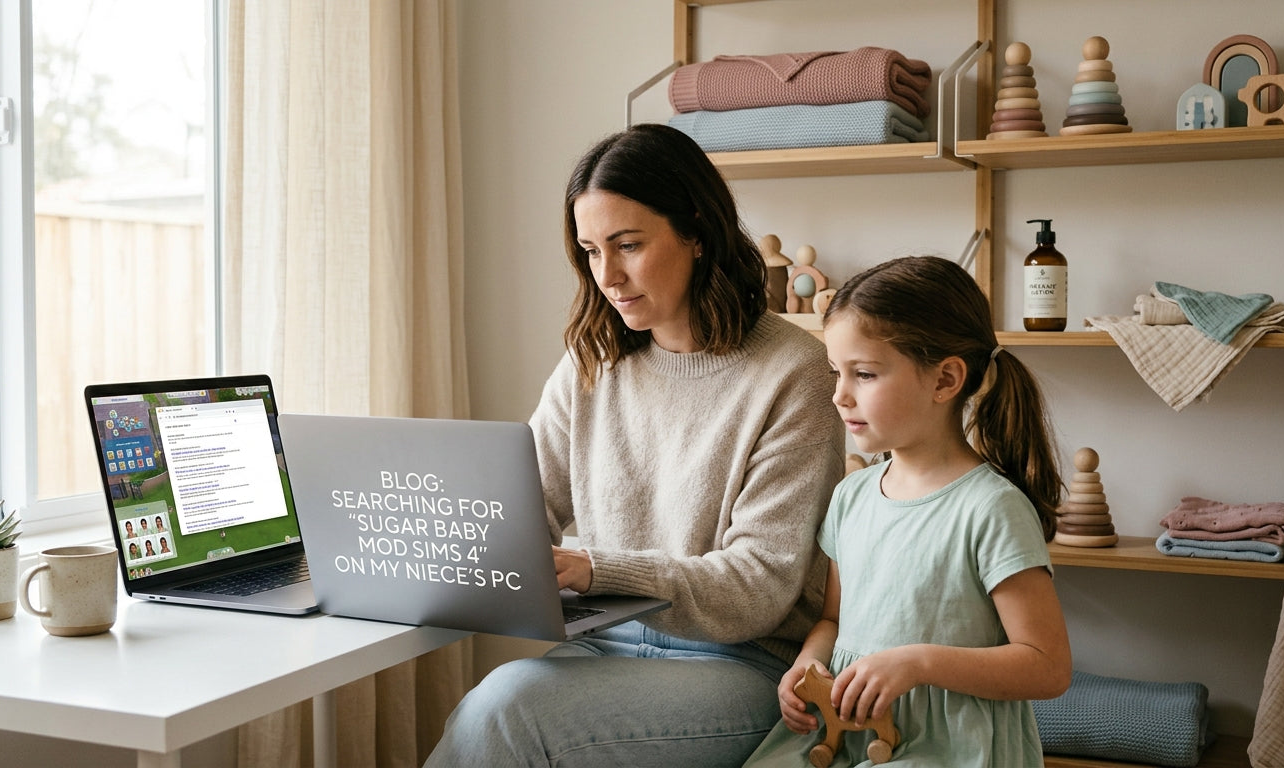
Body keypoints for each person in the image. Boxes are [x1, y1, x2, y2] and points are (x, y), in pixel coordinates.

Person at [424, 123, 846, 767]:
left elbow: (758, 588)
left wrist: (598, 568)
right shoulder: (591, 362)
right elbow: (520, 509)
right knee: (494, 709)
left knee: (507, 709)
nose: (608, 276)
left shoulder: (796, 373)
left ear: (697, 232)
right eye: (590, 251)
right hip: (604, 645)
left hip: (740, 667)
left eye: (628, 246)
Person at [742, 256, 1073, 768]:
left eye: (865, 374)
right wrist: (808, 664)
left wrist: (918, 663)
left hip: (950, 747)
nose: (839, 395)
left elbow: (1047, 667)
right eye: (837, 373)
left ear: (945, 381)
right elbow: (832, 618)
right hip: (846, 733)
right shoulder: (851, 496)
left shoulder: (991, 509)